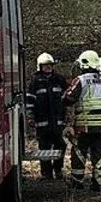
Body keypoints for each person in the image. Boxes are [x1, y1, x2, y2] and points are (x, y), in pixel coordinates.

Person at [63, 49, 101, 191]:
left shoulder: (81, 80)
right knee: (100, 153)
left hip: (84, 125)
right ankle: (98, 183)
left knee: (79, 151)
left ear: (84, 64)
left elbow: (68, 98)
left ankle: (77, 181)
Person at [25, 52, 69, 180]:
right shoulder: (35, 82)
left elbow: (67, 98)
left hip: (57, 121)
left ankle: (58, 169)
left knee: (61, 145)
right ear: (39, 66)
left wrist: (67, 117)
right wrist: (30, 116)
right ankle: (46, 173)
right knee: (44, 148)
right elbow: (30, 100)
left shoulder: (59, 79)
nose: (48, 67)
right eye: (45, 66)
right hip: (42, 121)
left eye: (49, 65)